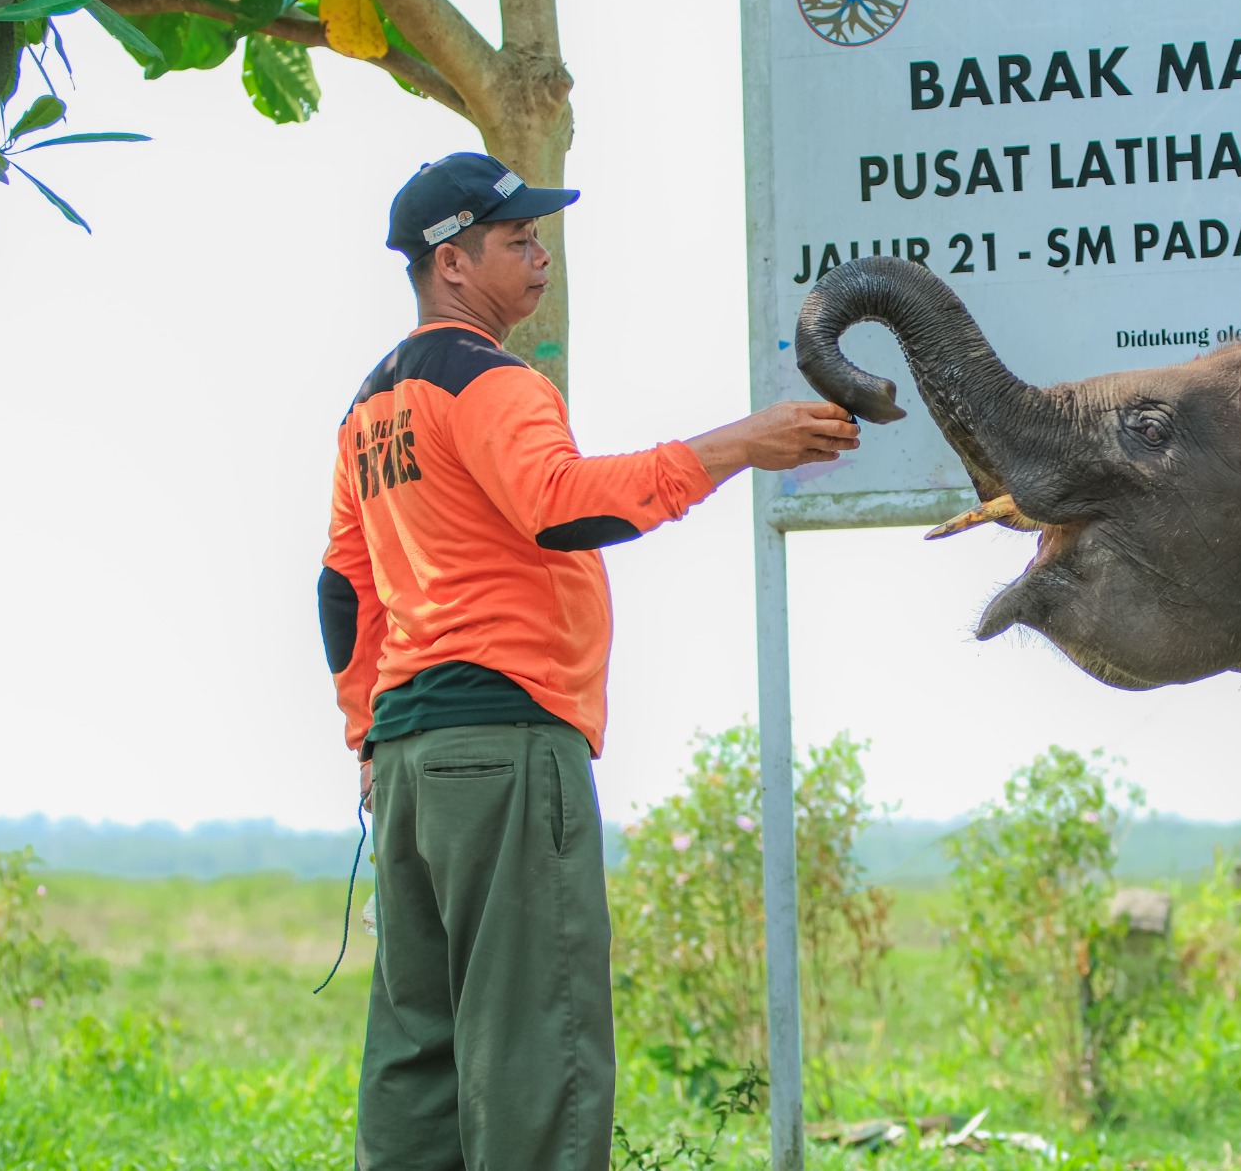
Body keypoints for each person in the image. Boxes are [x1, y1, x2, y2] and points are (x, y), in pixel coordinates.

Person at [317, 151, 857, 1171]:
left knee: (416, 1051)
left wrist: (366, 738)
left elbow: (344, 588)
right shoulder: (489, 378)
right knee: (536, 1045)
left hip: (410, 760)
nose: (539, 256)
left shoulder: (368, 409)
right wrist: (740, 441)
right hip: (507, 742)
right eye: (516, 239)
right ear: (452, 264)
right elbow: (562, 505)